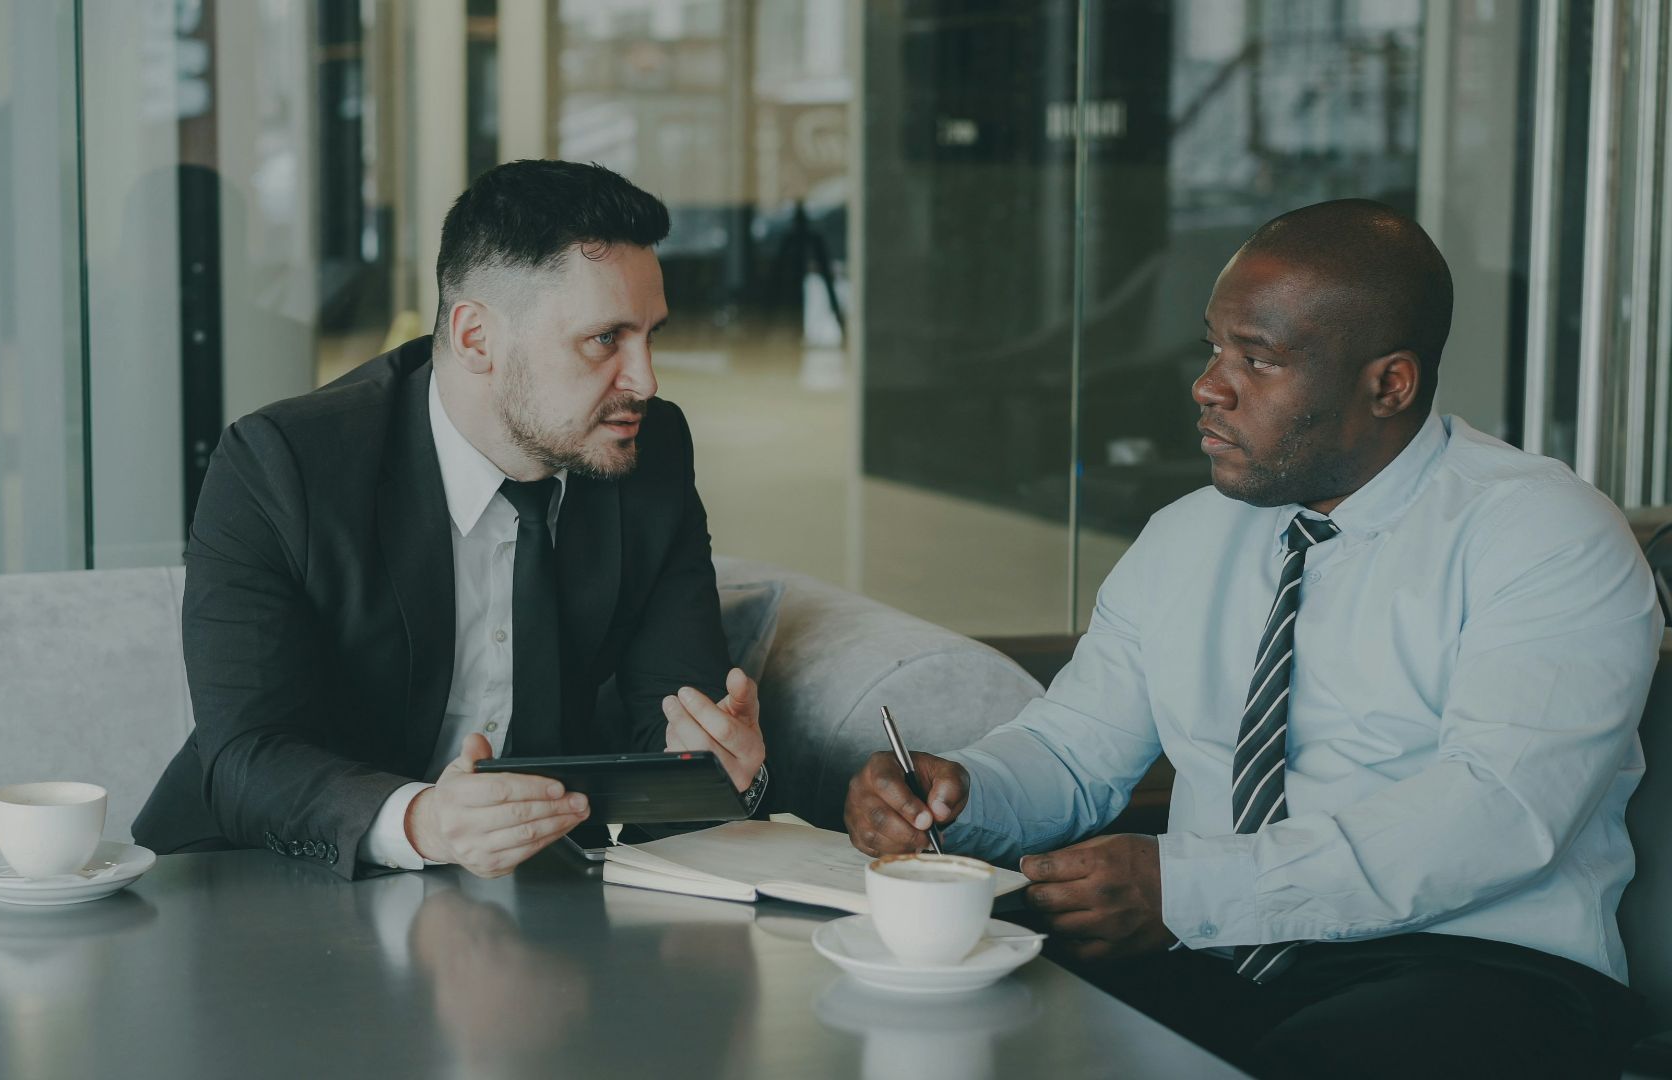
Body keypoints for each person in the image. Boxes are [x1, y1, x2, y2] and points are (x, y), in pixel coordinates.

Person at [845, 200, 1658, 1077]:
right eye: (1214, 348)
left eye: (1258, 360)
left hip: (1481, 966)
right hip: (1218, 954)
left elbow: (1498, 813)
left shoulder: (1544, 532)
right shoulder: (1187, 535)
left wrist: (1191, 891)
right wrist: (962, 795)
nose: (1209, 385)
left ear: (1389, 384)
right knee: (956, 1025)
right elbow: (1074, 752)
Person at [135, 160, 770, 880]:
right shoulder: (283, 466)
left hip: (528, 906)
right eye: (605, 340)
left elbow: (668, 732)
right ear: (476, 339)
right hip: (266, 887)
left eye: (651, 335)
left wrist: (716, 768)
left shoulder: (648, 452)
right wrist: (422, 821)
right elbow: (246, 755)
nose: (645, 381)